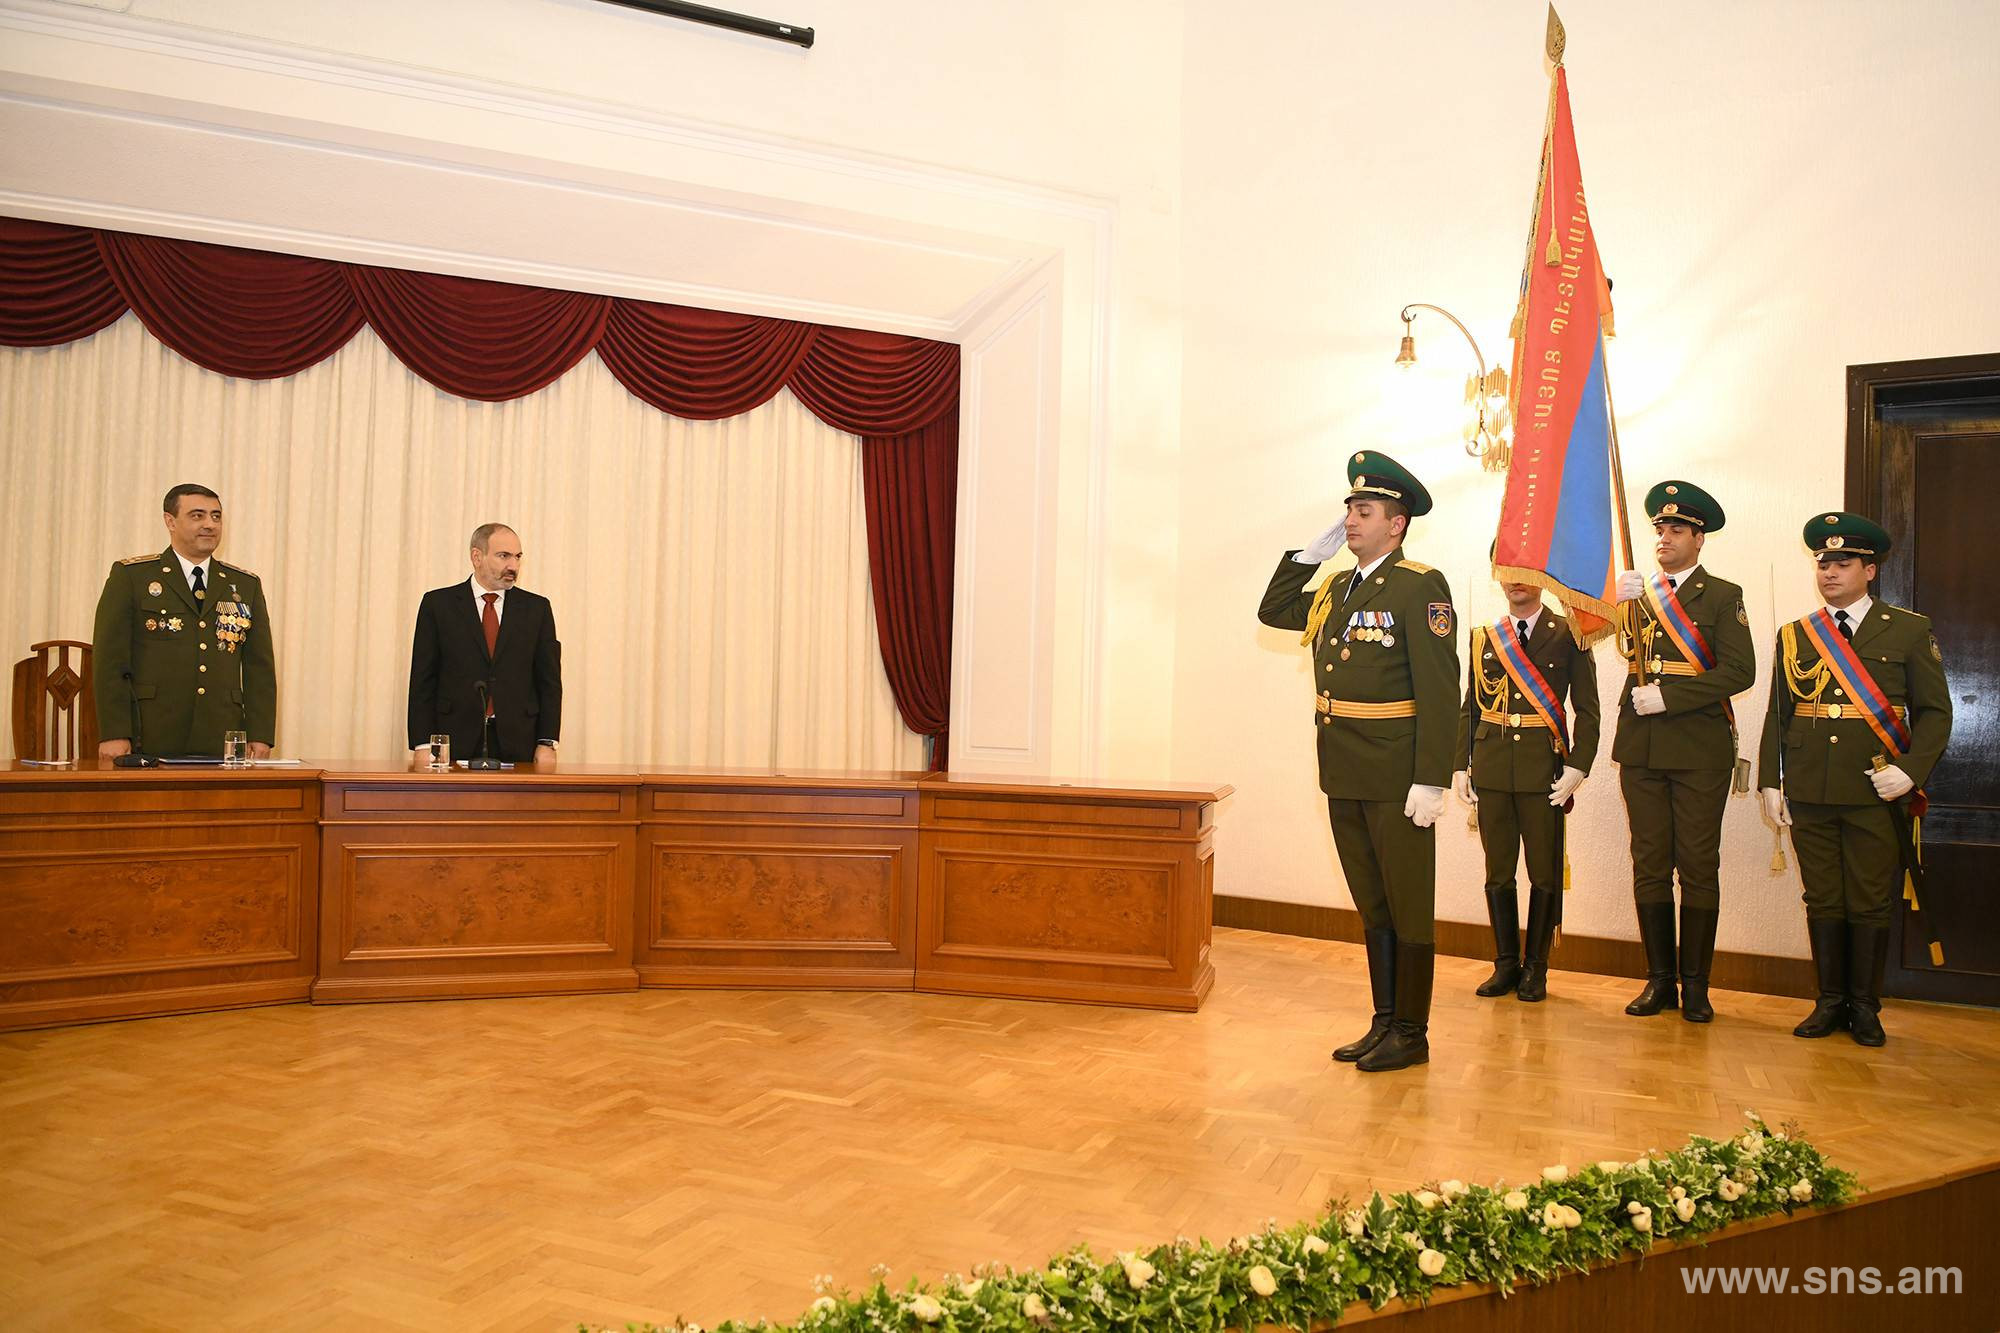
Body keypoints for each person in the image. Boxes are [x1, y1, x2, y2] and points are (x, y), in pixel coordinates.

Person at [1259, 451, 1459, 1072]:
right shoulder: (1339, 588)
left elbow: (1438, 688)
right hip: (1343, 766)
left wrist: (1432, 778)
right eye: (1348, 507)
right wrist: (1305, 560)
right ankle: (1383, 1022)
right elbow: (1273, 611)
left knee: (1406, 901)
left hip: (1397, 776)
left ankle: (1412, 1031)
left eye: (1363, 509)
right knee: (1372, 901)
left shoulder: (1418, 584)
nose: (1350, 518)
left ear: (1395, 524)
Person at [1757, 512, 1951, 1047]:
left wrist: (1910, 773)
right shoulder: (1795, 634)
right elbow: (1780, 711)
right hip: (1809, 788)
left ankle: (1865, 1006)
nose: (1830, 572)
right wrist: (1772, 781)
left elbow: (1935, 713)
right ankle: (1829, 1002)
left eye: (1843, 563)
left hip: (1874, 789)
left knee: (1869, 899)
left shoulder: (1909, 629)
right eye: (1823, 562)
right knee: (1821, 897)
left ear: (1870, 570)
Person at [1610, 481, 1756, 1022]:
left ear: (1699, 539)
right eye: (1660, 530)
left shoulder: (1722, 595)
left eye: (1676, 530)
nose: (1664, 539)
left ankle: (1696, 985)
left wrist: (1669, 697)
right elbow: (1603, 640)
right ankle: (1659, 982)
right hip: (1643, 751)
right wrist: (1615, 603)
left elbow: (1741, 671)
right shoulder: (1640, 594)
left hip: (1698, 750)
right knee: (1648, 864)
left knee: (1696, 866)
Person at [1452, 568, 1600, 1002]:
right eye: (1508, 571)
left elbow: (1588, 709)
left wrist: (1579, 766)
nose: (1516, 580)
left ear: (1543, 577)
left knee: (1544, 873)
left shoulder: (1569, 633)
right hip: (1493, 770)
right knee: (1498, 874)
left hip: (1544, 773)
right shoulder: (1485, 636)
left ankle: (1536, 967)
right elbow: (1471, 706)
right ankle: (1505, 964)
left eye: (1525, 571)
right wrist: (1461, 764)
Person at [93, 484, 276, 759]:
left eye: (216, 516)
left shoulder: (244, 585)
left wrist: (260, 734)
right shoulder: (132, 577)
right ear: (170, 521)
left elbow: (259, 668)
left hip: (222, 736)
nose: (209, 525)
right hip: (152, 732)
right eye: (197, 515)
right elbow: (111, 663)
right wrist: (115, 732)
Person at [407, 523, 562, 765]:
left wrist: (546, 742)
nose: (513, 566)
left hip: (518, 739)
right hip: (452, 739)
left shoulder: (537, 609)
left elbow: (549, 682)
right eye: (504, 556)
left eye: (518, 557)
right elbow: (423, 680)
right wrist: (423, 744)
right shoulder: (438, 605)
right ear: (476, 557)